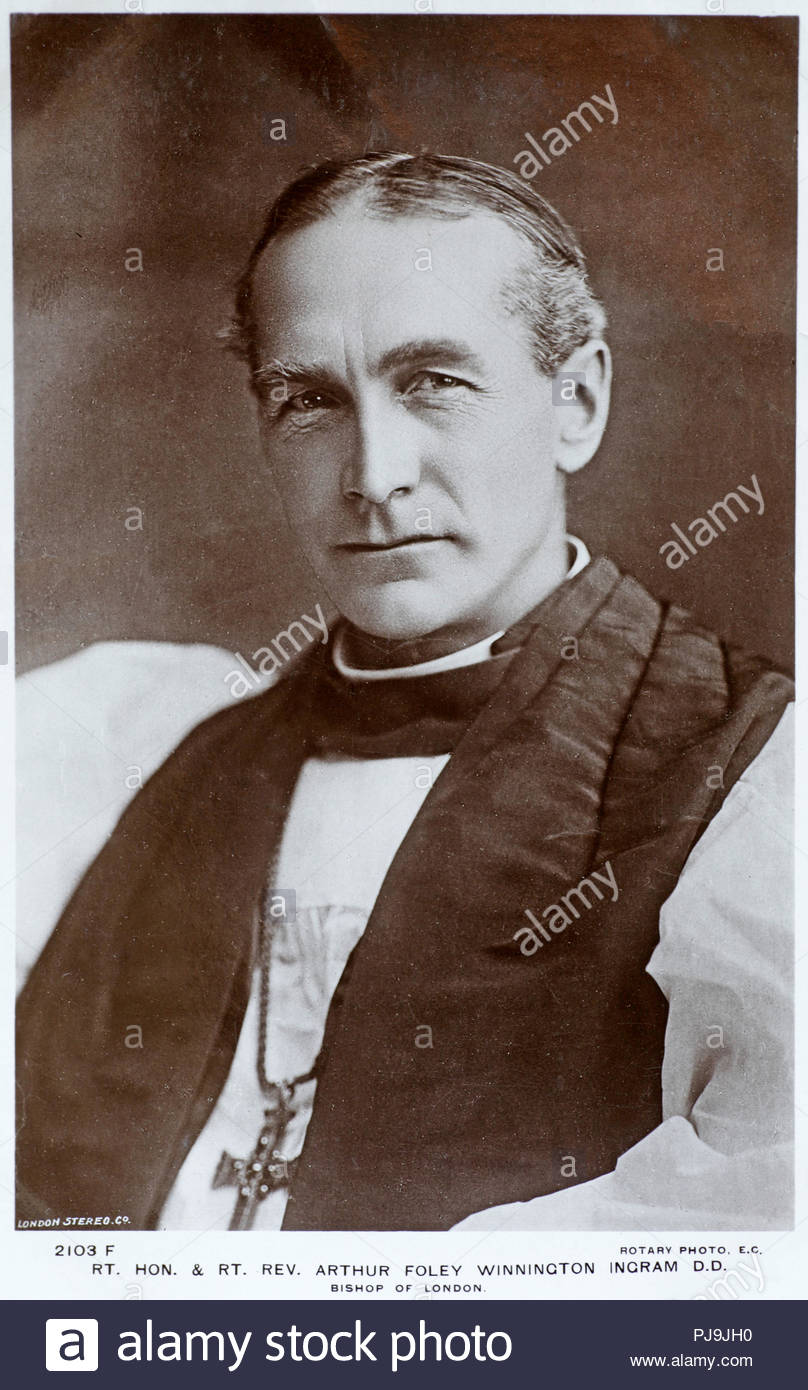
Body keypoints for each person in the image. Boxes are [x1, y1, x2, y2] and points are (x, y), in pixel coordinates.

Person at [16, 153, 793, 1233]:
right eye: (309, 400)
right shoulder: (140, 753)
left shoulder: (753, 780)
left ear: (575, 400)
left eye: (434, 380)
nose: (373, 473)